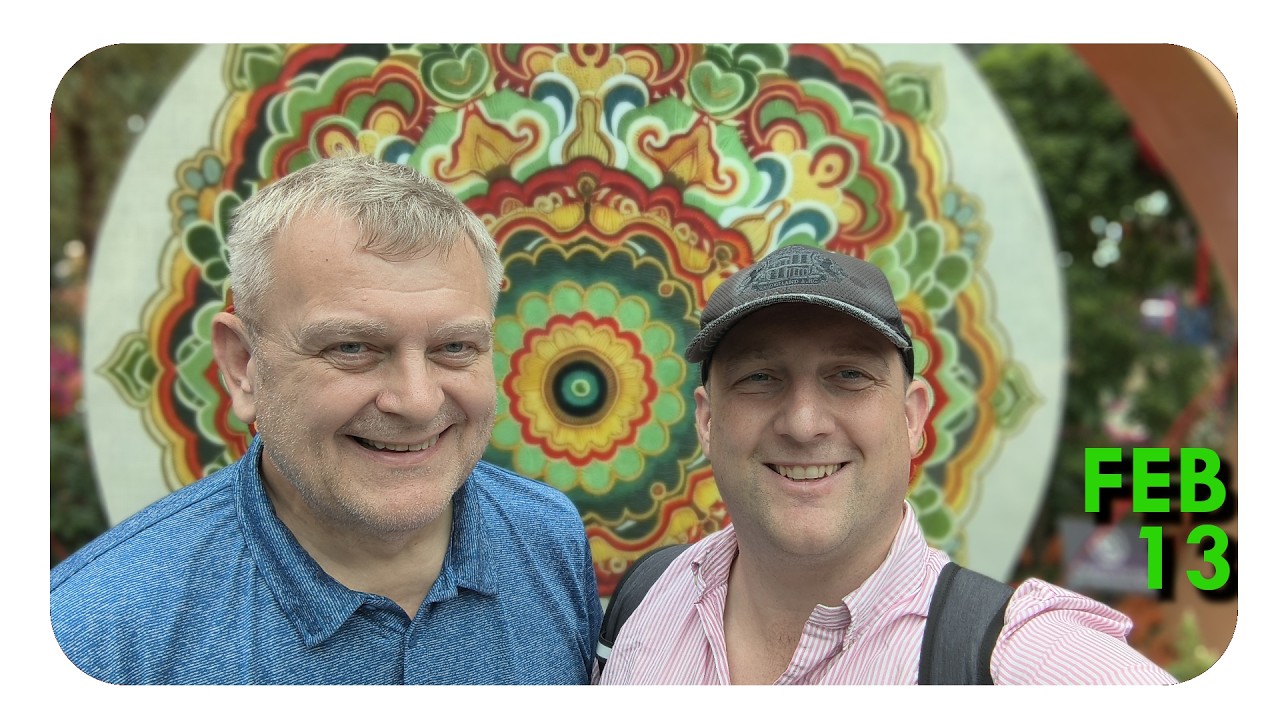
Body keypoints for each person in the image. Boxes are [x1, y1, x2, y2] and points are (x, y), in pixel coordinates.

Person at [51, 154, 602, 684]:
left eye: (454, 346)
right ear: (244, 366)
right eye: (352, 347)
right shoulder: (93, 638)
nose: (416, 401)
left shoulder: (548, 536)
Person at [598, 245, 1177, 685]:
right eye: (760, 378)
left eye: (849, 376)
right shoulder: (648, 599)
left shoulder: (1021, 665)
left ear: (913, 417)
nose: (803, 424)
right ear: (705, 421)